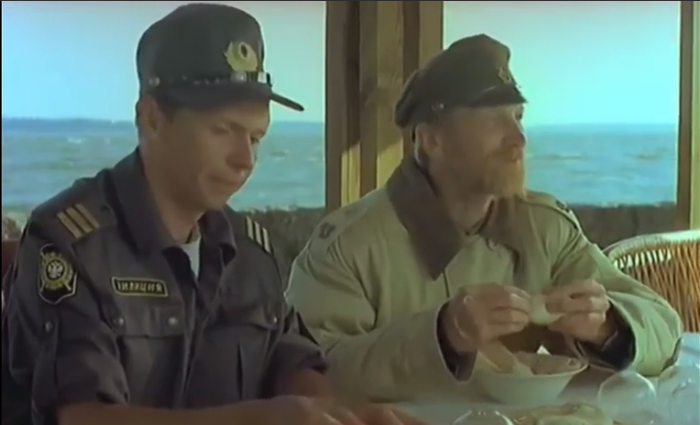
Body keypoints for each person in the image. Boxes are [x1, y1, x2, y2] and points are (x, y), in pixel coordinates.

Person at [1, 4, 425, 425]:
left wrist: (334, 413)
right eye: (223, 131)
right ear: (152, 118)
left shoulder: (250, 252)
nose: (245, 160)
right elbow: (82, 417)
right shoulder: (70, 245)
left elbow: (291, 358)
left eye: (256, 138)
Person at [286, 34, 684, 402]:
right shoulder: (348, 246)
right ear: (432, 140)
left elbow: (665, 326)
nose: (519, 139)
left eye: (518, 117)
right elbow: (303, 375)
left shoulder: (544, 228)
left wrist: (608, 327)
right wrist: (443, 336)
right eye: (495, 121)